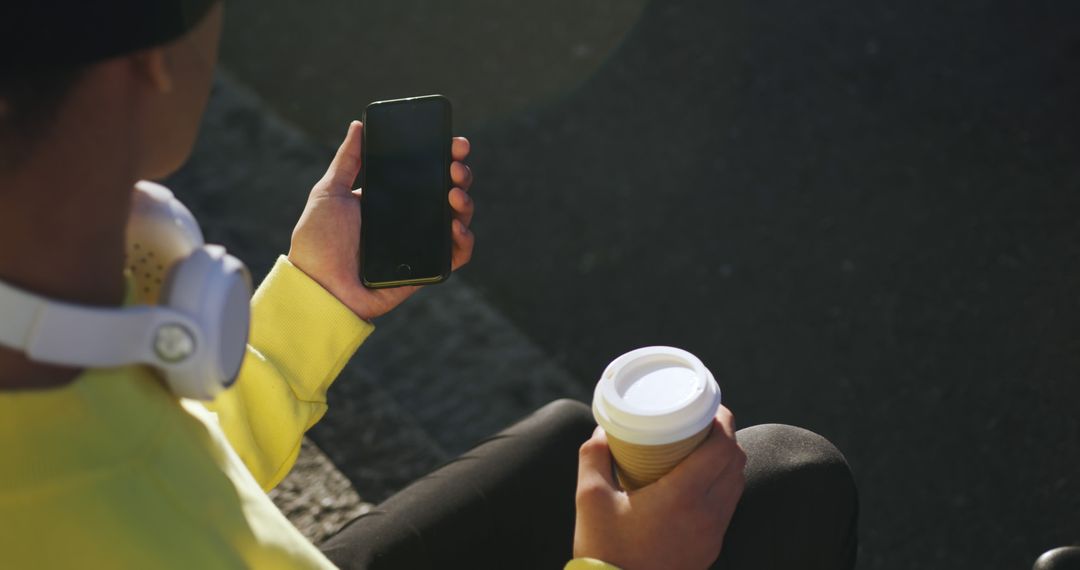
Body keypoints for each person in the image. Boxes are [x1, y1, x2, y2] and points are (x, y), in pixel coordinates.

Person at [0, 1, 857, 568]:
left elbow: (171, 461)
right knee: (789, 479)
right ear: (148, 58)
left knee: (570, 442)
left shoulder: (53, 322)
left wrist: (315, 300)